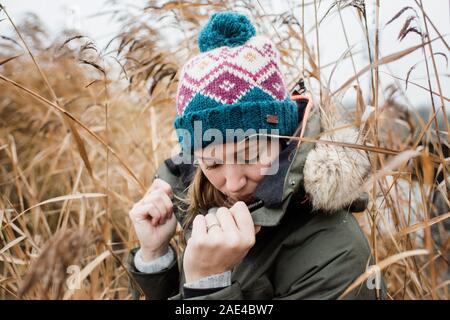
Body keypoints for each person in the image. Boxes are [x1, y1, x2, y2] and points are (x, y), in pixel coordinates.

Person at [127, 11, 386, 300]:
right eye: (212, 162)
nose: (233, 182)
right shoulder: (193, 199)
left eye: (249, 154)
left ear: (283, 137)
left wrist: (206, 287)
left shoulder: (337, 254)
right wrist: (154, 257)